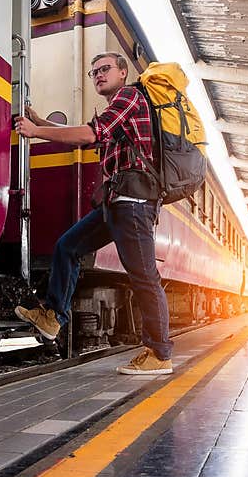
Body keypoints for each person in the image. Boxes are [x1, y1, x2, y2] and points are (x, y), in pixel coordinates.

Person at [13, 52, 173, 375]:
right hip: (114, 204)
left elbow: (89, 135)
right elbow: (87, 138)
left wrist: (35, 131)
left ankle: (160, 354)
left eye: (105, 69)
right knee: (67, 247)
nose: (99, 75)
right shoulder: (115, 109)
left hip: (134, 204)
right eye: (94, 72)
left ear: (123, 72)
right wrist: (42, 122)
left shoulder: (130, 97)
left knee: (144, 277)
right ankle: (53, 318)